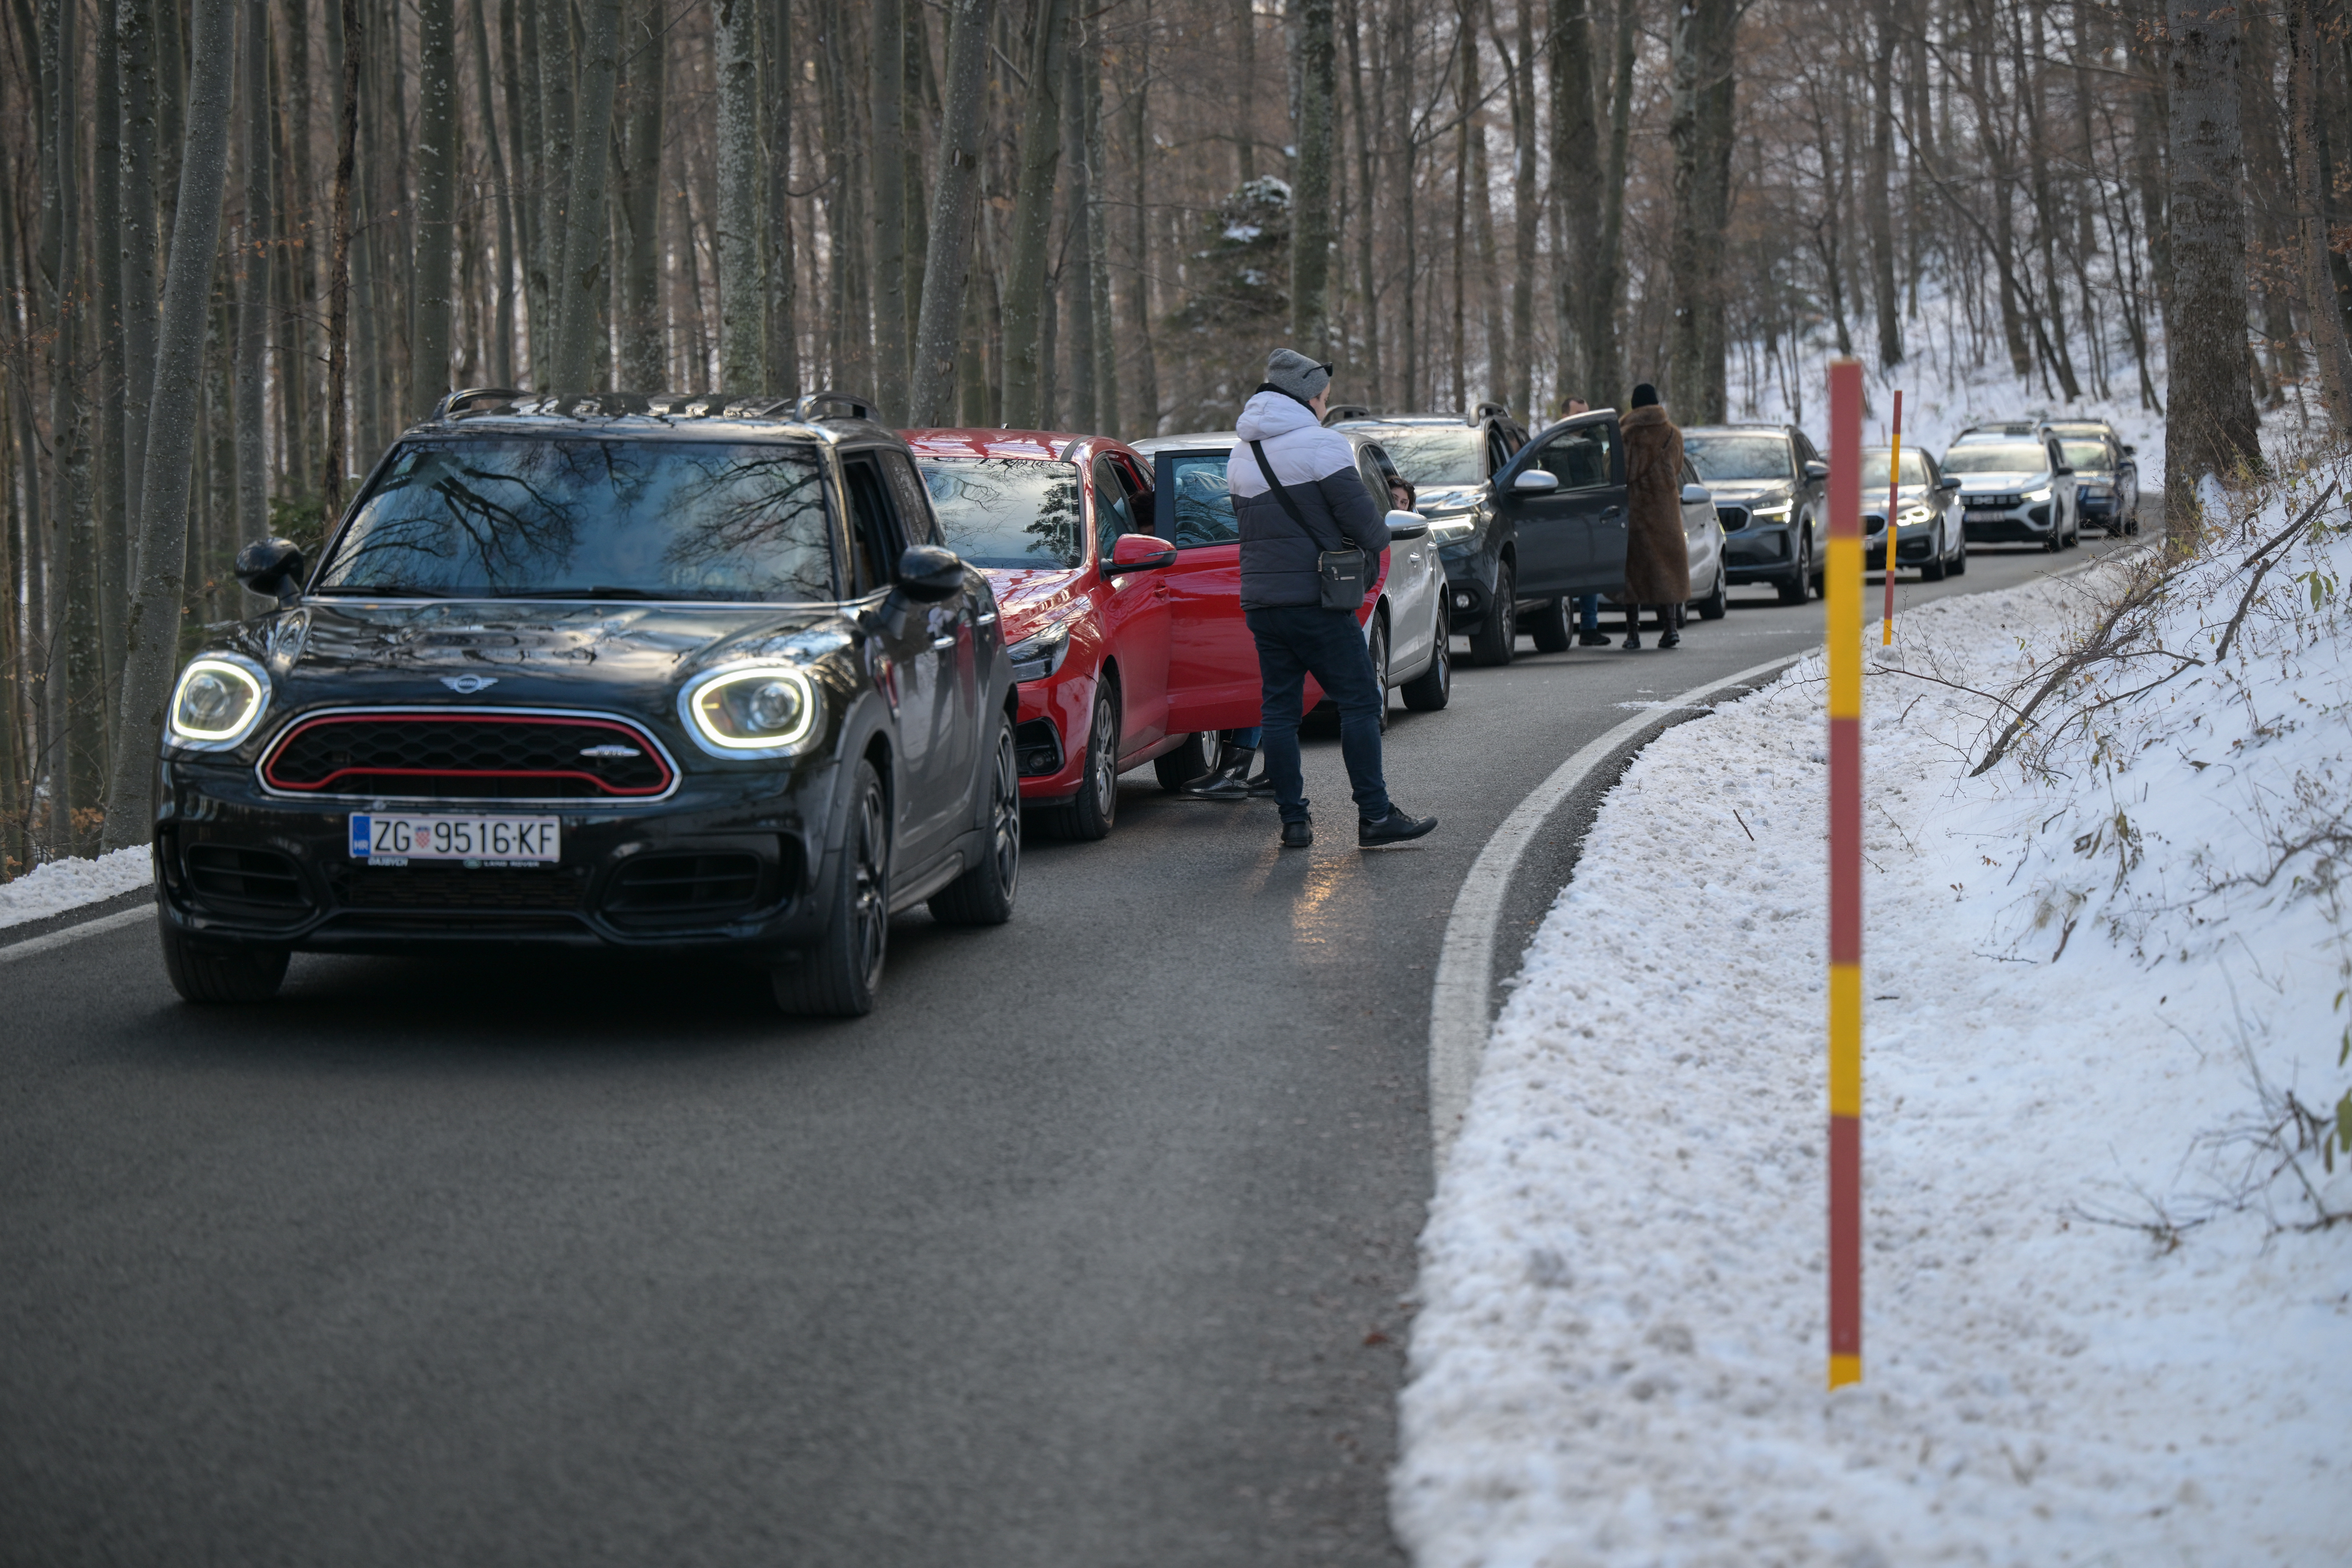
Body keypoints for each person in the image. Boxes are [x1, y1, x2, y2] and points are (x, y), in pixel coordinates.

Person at [1230, 349, 1437, 849]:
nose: (1326, 405)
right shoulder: (1322, 446)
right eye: (1324, 396)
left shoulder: (1241, 452)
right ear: (1309, 396)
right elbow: (1369, 527)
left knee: (1279, 712)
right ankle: (1374, 815)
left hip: (1261, 601)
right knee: (1362, 699)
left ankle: (1294, 821)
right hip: (1317, 599)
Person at [1616, 382, 1690, 651]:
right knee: (1666, 569)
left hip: (1634, 513)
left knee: (1632, 571)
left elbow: (1613, 471)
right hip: (1665, 514)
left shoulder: (1624, 435)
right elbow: (1678, 468)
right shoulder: (1673, 435)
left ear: (1634, 406)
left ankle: (1632, 635)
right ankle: (1670, 628)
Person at [1556, 395, 1611, 647]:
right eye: (1578, 414)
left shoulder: (1591, 444)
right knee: (1562, 572)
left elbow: (1600, 475)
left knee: (1590, 573)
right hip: (1564, 515)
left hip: (1589, 513)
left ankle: (1589, 627)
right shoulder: (1555, 444)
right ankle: (1560, 627)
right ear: (1565, 415)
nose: (1584, 420)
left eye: (1586, 414)